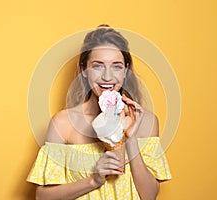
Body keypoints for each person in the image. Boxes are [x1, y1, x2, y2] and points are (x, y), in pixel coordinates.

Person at [27, 25, 171, 200]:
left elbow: (149, 196)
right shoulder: (63, 123)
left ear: (126, 71)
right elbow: (43, 198)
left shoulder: (145, 121)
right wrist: (94, 180)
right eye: (97, 66)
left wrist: (131, 139)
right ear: (84, 71)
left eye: (117, 67)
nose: (107, 77)